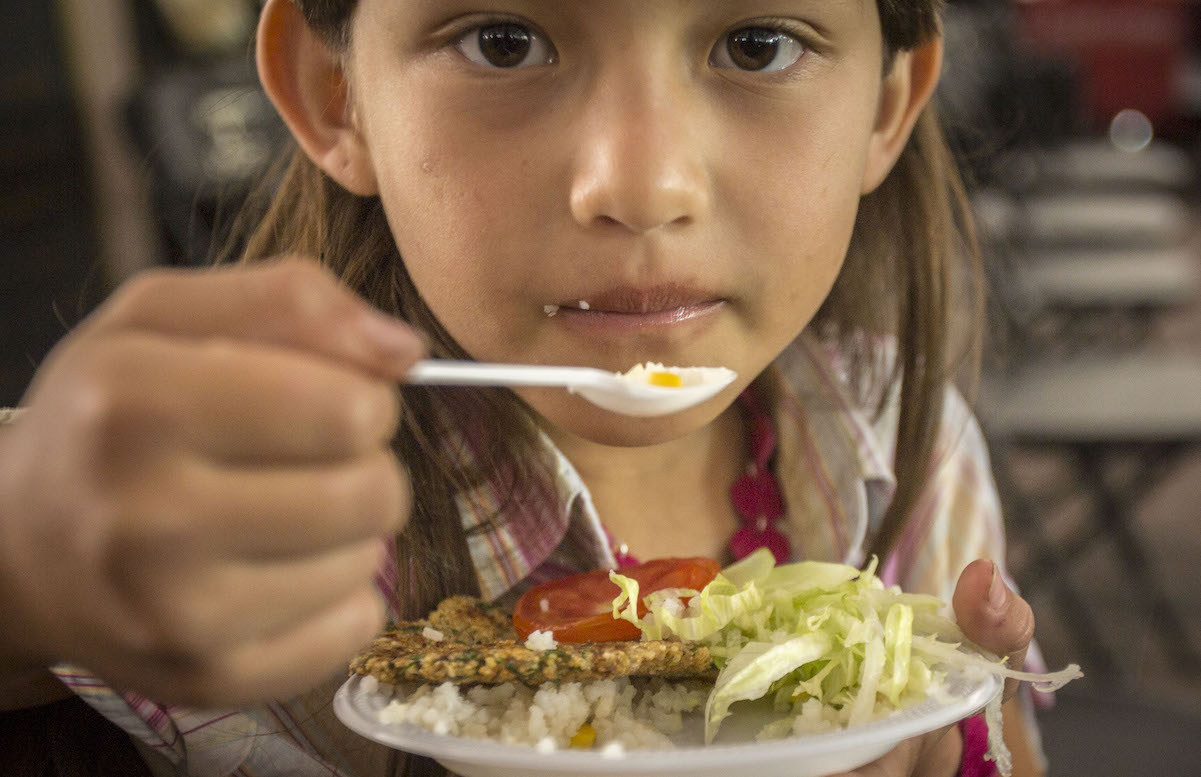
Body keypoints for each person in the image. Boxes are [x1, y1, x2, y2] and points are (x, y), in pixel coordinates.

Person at [0, 0, 1048, 775]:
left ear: (885, 105)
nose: (640, 186)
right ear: (337, 96)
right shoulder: (239, 499)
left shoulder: (899, 439)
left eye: (757, 45)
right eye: (503, 40)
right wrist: (32, 566)